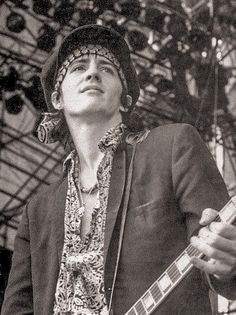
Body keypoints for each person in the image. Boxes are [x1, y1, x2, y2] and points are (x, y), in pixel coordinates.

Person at [1, 24, 236, 315]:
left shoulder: (173, 147)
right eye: (77, 68)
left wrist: (227, 267)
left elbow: (221, 250)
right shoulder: (36, 212)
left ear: (125, 99)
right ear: (57, 99)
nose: (92, 73)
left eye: (107, 69)